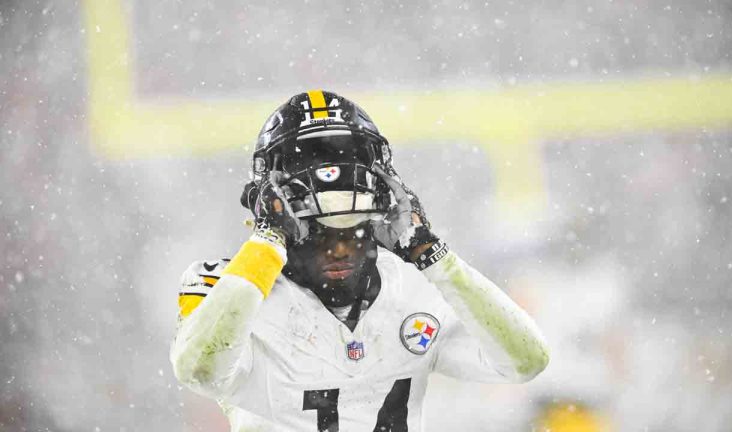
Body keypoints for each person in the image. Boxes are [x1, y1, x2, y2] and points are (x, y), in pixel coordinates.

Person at [170, 90, 550, 431]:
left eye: (353, 230)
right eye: (317, 232)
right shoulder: (227, 286)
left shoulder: (417, 286)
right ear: (281, 220)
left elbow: (525, 361)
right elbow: (200, 370)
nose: (338, 250)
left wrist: (433, 254)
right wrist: (266, 243)